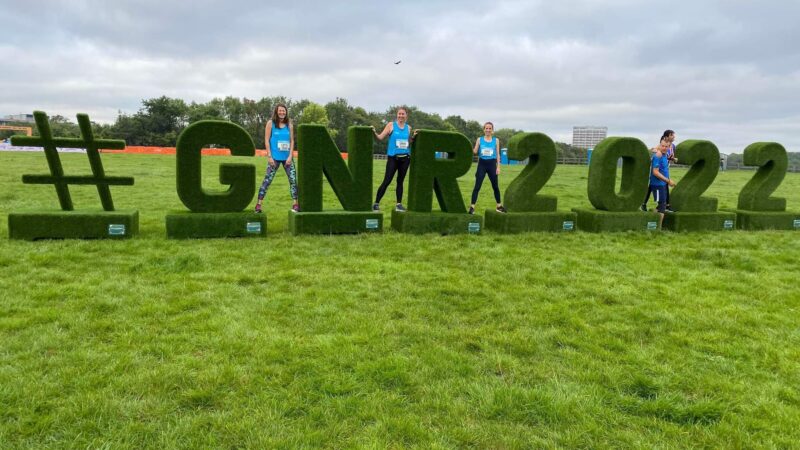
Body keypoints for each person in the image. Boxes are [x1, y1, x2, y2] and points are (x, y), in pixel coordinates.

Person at [255, 103, 299, 213]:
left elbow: (292, 141)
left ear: (286, 112)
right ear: (276, 111)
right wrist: (269, 156)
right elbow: (266, 140)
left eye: (284, 111)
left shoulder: (289, 124)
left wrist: (290, 156)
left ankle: (295, 204)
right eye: (280, 110)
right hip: (274, 157)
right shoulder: (271, 123)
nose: (282, 112)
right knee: (267, 180)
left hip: (287, 158)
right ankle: (258, 205)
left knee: (293, 180)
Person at [372, 107, 416, 212]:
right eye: (399, 114)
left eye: (403, 114)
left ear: (406, 116)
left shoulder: (408, 128)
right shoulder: (391, 125)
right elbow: (379, 138)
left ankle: (399, 205)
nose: (401, 116)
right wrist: (373, 132)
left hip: (405, 159)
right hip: (393, 158)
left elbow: (408, 143)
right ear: (397, 115)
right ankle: (376, 203)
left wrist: (413, 137)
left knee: (400, 181)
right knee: (387, 181)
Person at [469, 122, 506, 214]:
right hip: (482, 164)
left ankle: (499, 206)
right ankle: (472, 207)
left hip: (492, 164)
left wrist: (498, 167)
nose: (488, 130)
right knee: (477, 186)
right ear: (484, 129)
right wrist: (467, 146)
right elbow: (475, 151)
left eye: (490, 128)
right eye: (486, 128)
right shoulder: (479, 139)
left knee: (495, 186)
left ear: (492, 130)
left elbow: (497, 154)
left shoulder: (496, 140)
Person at [641, 130, 678, 211]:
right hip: (658, 168)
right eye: (672, 135)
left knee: (664, 185)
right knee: (653, 185)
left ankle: (665, 205)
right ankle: (645, 203)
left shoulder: (673, 146)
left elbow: (669, 156)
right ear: (667, 136)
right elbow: (653, 150)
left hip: (665, 167)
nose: (674, 137)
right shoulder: (662, 145)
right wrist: (658, 151)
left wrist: (673, 159)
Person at [649, 138, 676, 226]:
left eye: (666, 146)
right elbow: (655, 172)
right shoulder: (658, 156)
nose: (664, 148)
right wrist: (668, 181)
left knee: (661, 206)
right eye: (662, 146)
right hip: (657, 185)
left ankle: (651, 223)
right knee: (662, 206)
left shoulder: (664, 155)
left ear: (669, 147)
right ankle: (658, 228)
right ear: (659, 145)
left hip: (663, 185)